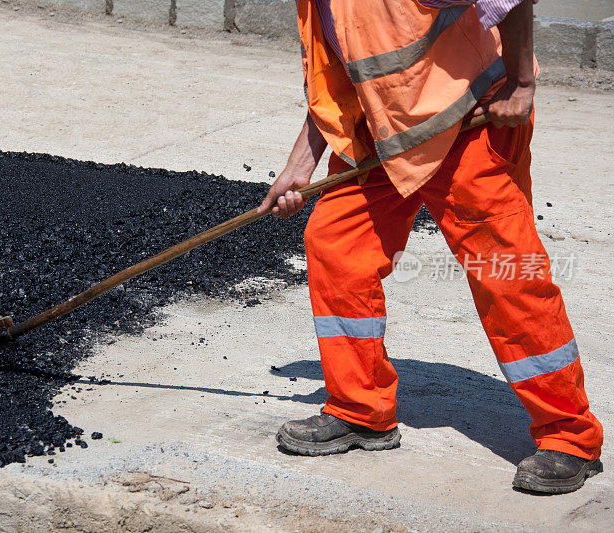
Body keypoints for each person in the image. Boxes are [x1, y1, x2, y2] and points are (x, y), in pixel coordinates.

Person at [258, 0, 603, 494]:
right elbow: (346, 77)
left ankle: (570, 436)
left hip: (469, 122)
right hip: (386, 138)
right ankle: (361, 411)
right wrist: (300, 164)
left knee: (507, 274)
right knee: (335, 242)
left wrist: (523, 82)